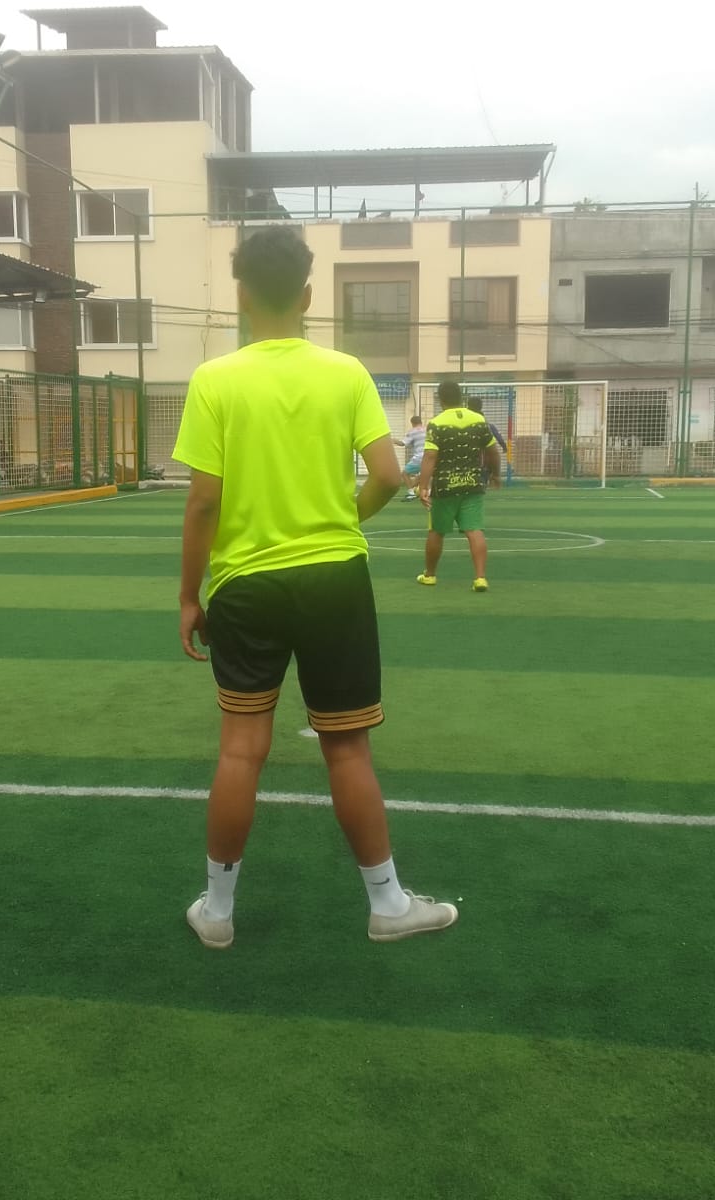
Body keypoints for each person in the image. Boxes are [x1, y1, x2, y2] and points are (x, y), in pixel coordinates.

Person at [173, 226, 459, 950]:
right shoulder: (346, 372)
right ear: (307, 295)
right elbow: (389, 476)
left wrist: (187, 596)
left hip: (245, 583)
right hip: (335, 578)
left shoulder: (214, 379)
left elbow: (203, 502)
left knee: (241, 749)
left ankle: (217, 912)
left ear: (241, 295)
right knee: (348, 748)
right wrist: (340, 519)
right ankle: (388, 905)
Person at [418, 380, 501, 592]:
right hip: (473, 484)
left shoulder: (436, 423)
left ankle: (430, 575)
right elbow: (492, 451)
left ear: (440, 399)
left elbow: (430, 455)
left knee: (437, 531)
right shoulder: (478, 420)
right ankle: (480, 578)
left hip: (445, 487)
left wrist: (423, 486)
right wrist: (495, 474)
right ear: (461, 397)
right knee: (474, 530)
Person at [465, 394, 508, 486]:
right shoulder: (485, 422)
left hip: (469, 455)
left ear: (468, 406)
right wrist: (503, 446)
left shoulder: (465, 420)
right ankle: (483, 483)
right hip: (484, 456)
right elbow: (496, 434)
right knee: (484, 470)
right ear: (481, 406)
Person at [396, 414, 427, 499]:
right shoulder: (427, 430)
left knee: (404, 473)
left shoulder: (412, 432)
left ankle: (411, 493)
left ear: (412, 423)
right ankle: (423, 491)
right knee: (423, 475)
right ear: (421, 422)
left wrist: (393, 441)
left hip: (419, 457)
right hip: (429, 457)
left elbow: (403, 443)